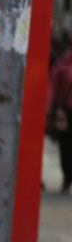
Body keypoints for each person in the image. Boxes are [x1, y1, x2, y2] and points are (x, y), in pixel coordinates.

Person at [48, 41, 72, 194]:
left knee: (66, 146)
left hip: (64, 110)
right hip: (66, 111)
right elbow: (54, 87)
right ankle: (67, 177)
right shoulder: (63, 65)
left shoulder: (62, 65)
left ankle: (67, 177)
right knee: (66, 145)